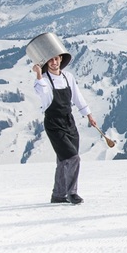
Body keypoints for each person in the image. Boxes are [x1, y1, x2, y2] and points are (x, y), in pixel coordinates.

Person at [32, 53, 97, 205]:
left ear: (61, 59)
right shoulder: (43, 80)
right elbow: (43, 93)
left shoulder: (68, 77)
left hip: (69, 122)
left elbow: (77, 96)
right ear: (46, 61)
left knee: (63, 160)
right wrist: (39, 74)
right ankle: (72, 192)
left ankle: (58, 195)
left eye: (56, 59)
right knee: (73, 157)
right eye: (50, 59)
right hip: (54, 124)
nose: (54, 62)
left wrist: (88, 115)